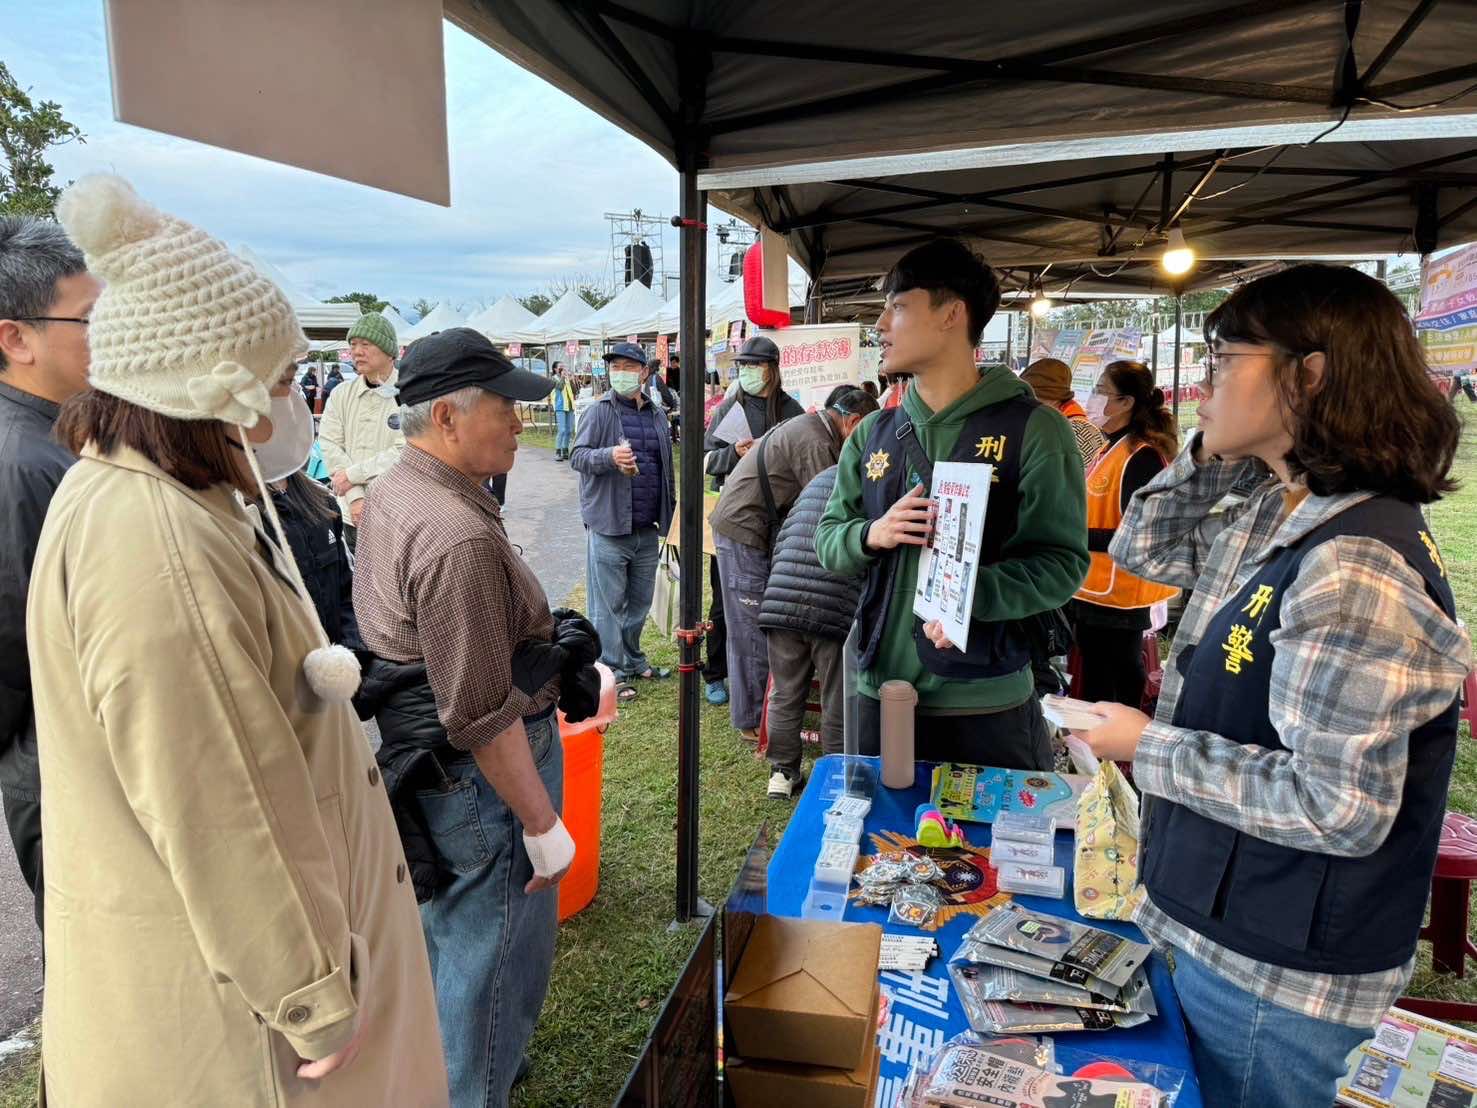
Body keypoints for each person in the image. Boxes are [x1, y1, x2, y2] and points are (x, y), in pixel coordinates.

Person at [34, 174, 445, 1105]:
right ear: (208, 390)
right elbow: (214, 796)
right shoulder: (157, 538)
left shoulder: (164, 499)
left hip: (246, 988)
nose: (291, 405)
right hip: (246, 1031)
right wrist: (310, 994)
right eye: (279, 382)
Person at [1078, 264, 1470, 1108]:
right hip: (1223, 921)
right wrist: (1218, 446)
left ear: (1311, 372)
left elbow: (1336, 806)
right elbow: (1145, 547)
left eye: (1223, 360)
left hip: (1274, 973)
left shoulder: (1351, 564)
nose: (1202, 382)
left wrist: (1147, 747)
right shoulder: (1280, 500)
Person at [354, 327, 590, 1107]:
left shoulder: (403, 486)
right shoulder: (454, 534)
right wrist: (540, 821)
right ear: (447, 418)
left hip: (439, 763)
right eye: (505, 408)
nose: (521, 424)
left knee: (457, 946)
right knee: (489, 957)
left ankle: (467, 1073)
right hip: (481, 776)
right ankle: (469, 1088)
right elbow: (479, 712)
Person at [815, 238, 1089, 768]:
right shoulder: (873, 432)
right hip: (882, 690)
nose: (880, 325)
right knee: (883, 843)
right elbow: (829, 540)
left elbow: (1062, 564)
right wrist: (871, 534)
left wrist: (970, 596)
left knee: (988, 850)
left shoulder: (1036, 429)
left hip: (986, 698)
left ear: (952, 315)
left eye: (897, 306)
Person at [0, 217, 98, 935]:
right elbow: (14, 645)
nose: (111, 335)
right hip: (61, 763)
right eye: (91, 320)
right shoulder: (23, 463)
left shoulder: (58, 437)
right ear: (17, 338)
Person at [709, 385, 877, 746]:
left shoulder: (814, 427)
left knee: (761, 626)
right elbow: (833, 509)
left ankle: (765, 714)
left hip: (757, 529)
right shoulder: (816, 443)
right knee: (754, 630)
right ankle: (752, 719)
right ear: (855, 423)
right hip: (744, 530)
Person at [1067, 359, 1180, 709]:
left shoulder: (1142, 456)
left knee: (1117, 677)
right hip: (1096, 586)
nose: (1093, 398)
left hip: (1121, 592)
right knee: (1097, 676)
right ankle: (1096, 752)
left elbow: (1136, 532)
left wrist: (1073, 536)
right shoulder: (1110, 447)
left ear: (1127, 402)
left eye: (1102, 391)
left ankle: (1120, 753)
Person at [703, 335, 804, 710]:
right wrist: (734, 453)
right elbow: (705, 462)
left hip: (778, 521)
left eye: (753, 366)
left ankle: (770, 675)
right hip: (734, 519)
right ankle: (716, 673)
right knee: (723, 601)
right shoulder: (729, 410)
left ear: (772, 370)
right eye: (741, 366)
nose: (746, 373)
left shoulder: (791, 411)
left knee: (769, 600)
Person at [571, 342, 675, 690]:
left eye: (630, 367)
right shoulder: (599, 412)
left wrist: (670, 516)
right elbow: (578, 456)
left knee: (640, 602)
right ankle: (610, 671)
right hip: (609, 526)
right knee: (608, 606)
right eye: (616, 366)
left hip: (647, 526)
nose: (622, 373)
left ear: (645, 372)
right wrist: (609, 457)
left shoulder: (657, 415)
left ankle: (633, 658)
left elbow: (664, 467)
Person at [319, 311, 404, 549]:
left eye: (365, 344)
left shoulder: (409, 394)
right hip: (351, 513)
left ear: (389, 351)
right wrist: (356, 497)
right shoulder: (341, 394)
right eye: (353, 345)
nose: (357, 351)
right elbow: (330, 444)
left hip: (399, 512)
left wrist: (352, 475)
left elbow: (407, 451)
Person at [1021, 356, 1105, 469]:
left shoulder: (1081, 431)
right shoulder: (1047, 420)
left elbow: (1078, 481)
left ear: (1055, 398)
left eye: (1034, 398)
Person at [550, 361, 576, 460]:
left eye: (563, 367)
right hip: (560, 407)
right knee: (562, 430)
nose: (562, 369)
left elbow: (574, 391)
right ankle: (558, 451)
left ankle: (565, 450)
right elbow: (559, 387)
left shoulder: (566, 378)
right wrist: (562, 377)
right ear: (555, 369)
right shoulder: (553, 379)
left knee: (569, 430)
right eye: (560, 367)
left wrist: (571, 380)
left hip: (569, 407)